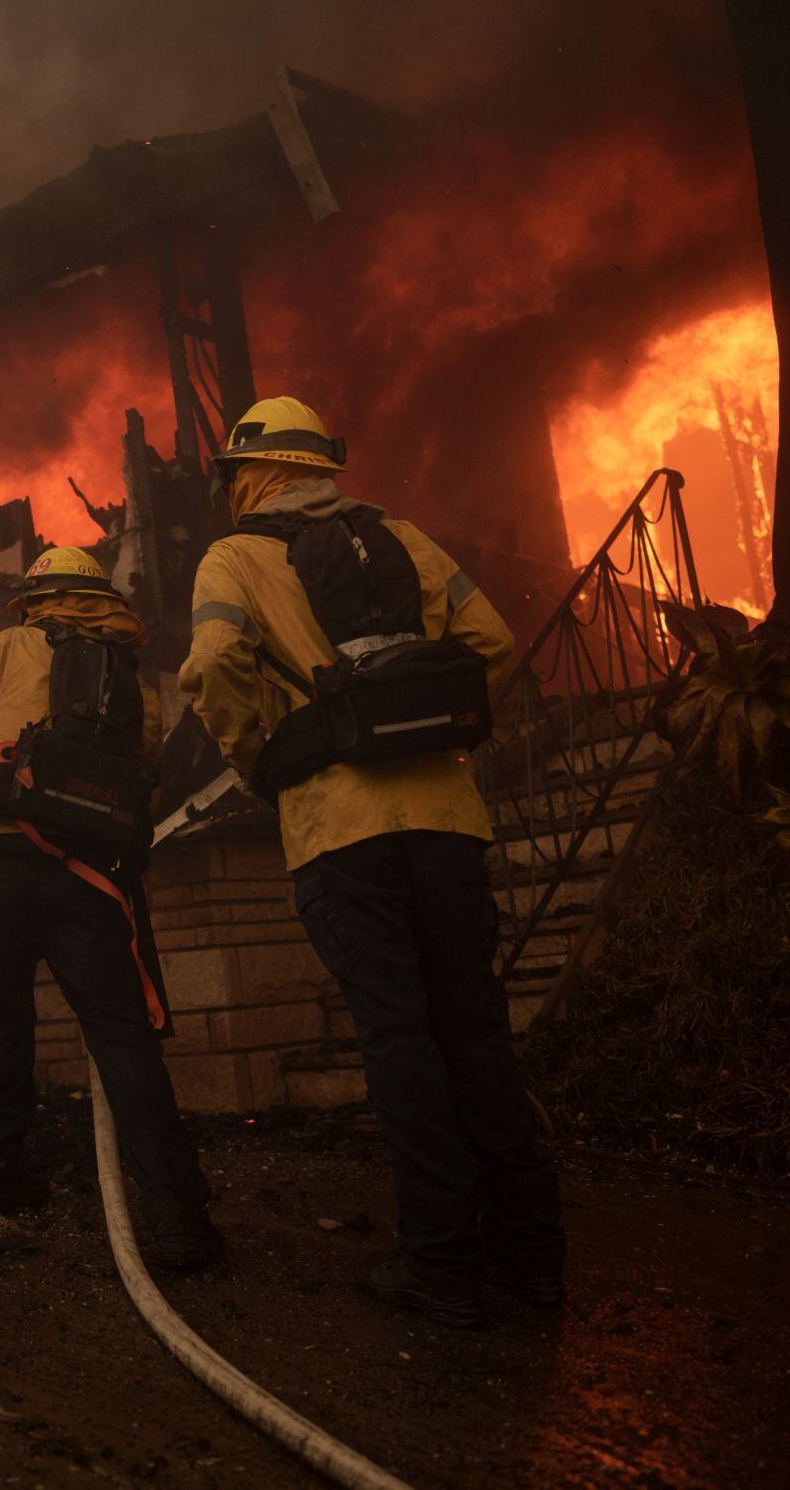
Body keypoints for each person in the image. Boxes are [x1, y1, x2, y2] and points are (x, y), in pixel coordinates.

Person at [179, 395, 564, 1327]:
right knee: (475, 1036)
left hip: (342, 832)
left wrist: (264, 755)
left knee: (399, 1043)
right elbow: (491, 644)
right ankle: (531, 1261)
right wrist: (444, 726)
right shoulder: (404, 540)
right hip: (445, 818)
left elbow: (213, 663)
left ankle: (441, 1266)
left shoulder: (235, 556)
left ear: (249, 475)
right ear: (322, 465)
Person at [0, 545, 221, 1269]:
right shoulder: (132, 684)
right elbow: (141, 775)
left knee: (2, 1015)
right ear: (99, 604)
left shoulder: (3, 649)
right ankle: (180, 1224)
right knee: (121, 1037)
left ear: (36, 599)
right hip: (86, 874)